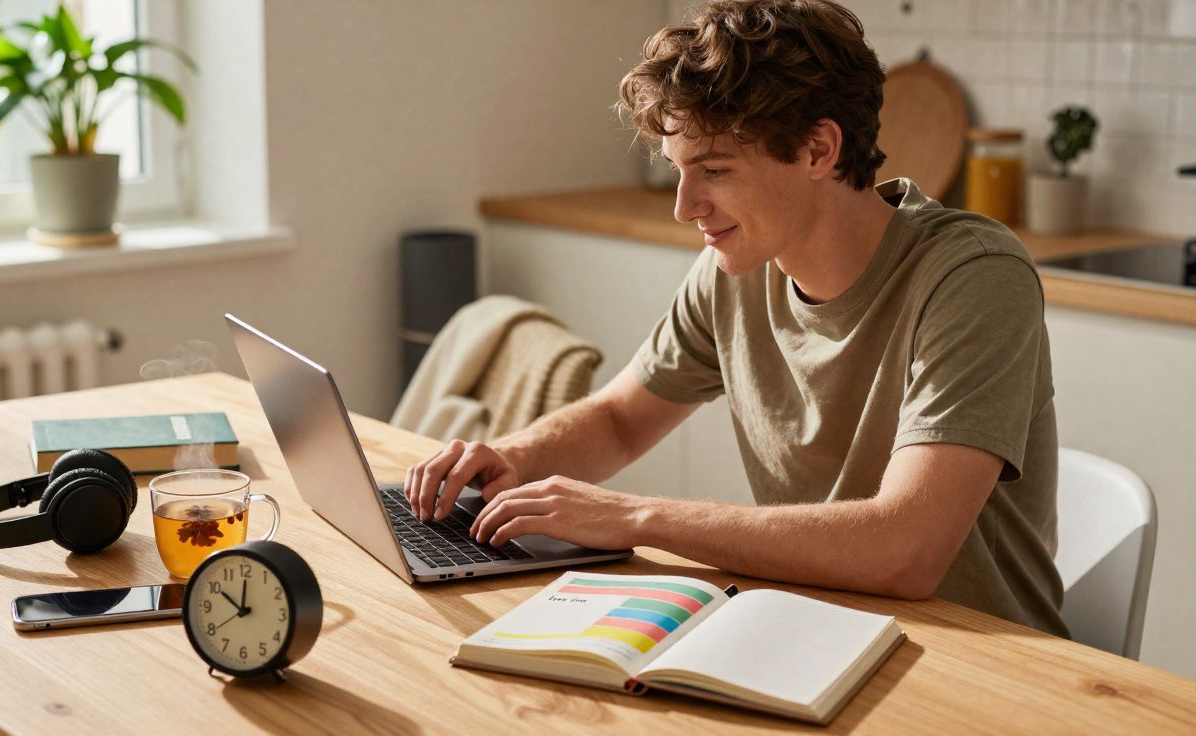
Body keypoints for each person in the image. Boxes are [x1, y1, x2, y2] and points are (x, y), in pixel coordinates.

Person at [404, 0, 1066, 636]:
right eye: (678, 171)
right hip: (811, 627)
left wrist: (635, 516)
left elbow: (906, 549)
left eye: (713, 169)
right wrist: (507, 462)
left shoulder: (972, 275)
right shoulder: (737, 270)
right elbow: (617, 420)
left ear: (818, 151)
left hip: (979, 661)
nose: (685, 206)